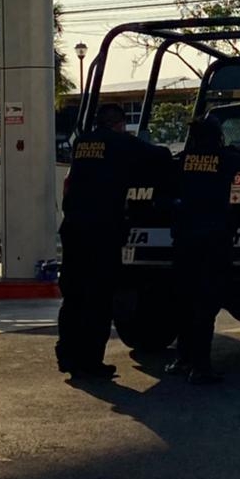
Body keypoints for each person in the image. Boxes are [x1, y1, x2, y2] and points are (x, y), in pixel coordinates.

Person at [56, 102, 173, 379]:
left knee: (73, 296)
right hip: (101, 232)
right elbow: (161, 156)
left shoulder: (82, 143)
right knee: (98, 298)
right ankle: (91, 363)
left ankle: (68, 357)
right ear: (119, 124)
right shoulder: (120, 143)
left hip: (72, 228)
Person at [167, 116, 240, 385]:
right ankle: (201, 367)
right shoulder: (225, 159)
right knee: (206, 304)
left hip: (183, 241)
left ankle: (183, 358)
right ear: (218, 137)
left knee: (184, 301)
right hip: (214, 241)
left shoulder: (183, 161)